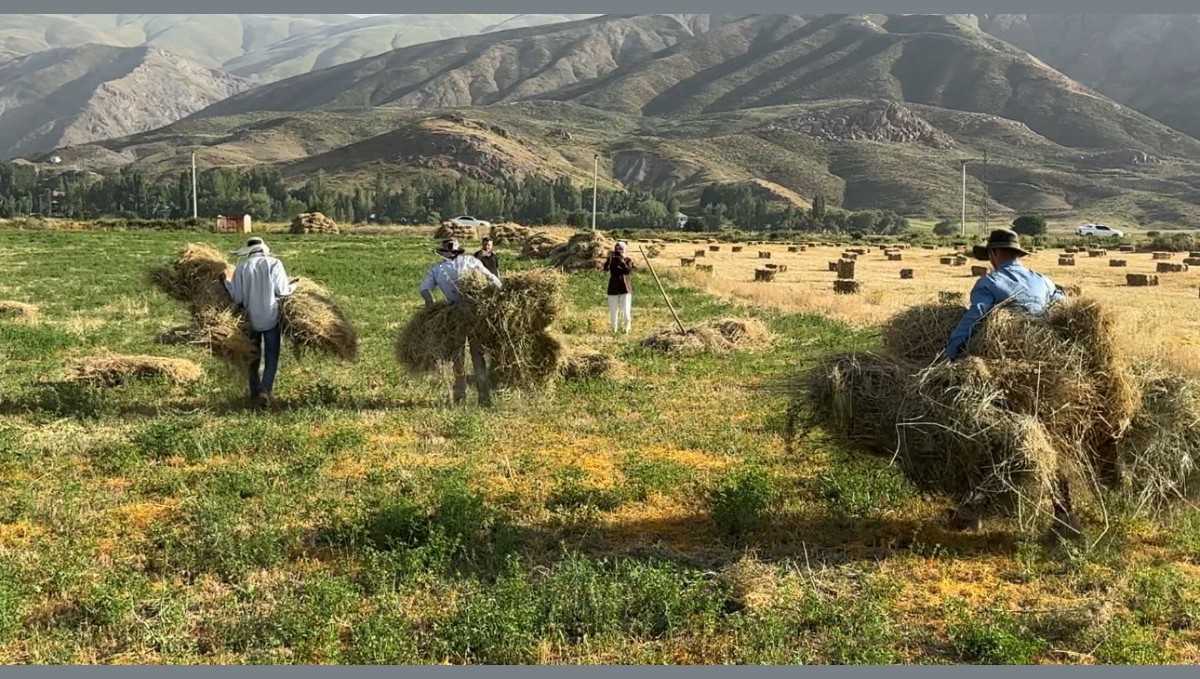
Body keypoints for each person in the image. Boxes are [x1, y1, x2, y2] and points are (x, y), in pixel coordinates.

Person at [941, 228, 1078, 539]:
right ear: (1018, 254)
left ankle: (972, 512)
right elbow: (1065, 308)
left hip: (1004, 373)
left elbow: (973, 318)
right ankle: (1063, 517)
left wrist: (950, 355)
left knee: (984, 437)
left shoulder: (990, 282)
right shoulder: (1043, 281)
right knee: (1050, 439)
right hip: (1048, 373)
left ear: (993, 255)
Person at [420, 238, 502, 407]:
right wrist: (498, 296)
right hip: (475, 312)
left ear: (443, 252)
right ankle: (484, 397)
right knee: (477, 355)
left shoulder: (437, 270)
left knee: (458, 355)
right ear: (458, 251)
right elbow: (493, 279)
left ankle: (460, 395)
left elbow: (424, 290)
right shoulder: (471, 261)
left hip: (454, 314)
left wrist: (432, 306)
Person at [221, 237, 295, 409]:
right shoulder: (275, 264)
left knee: (252, 356)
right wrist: (294, 286)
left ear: (248, 252)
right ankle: (265, 390)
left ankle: (254, 391)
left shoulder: (242, 267)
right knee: (271, 356)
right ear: (264, 250)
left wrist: (225, 282)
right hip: (271, 316)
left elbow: (237, 297)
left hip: (250, 319)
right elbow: (283, 291)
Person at [603, 241, 635, 334]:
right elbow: (606, 269)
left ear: (624, 249)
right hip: (613, 286)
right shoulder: (612, 259)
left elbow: (628, 271)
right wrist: (609, 259)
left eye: (620, 249)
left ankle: (627, 329)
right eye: (616, 248)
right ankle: (613, 329)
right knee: (613, 310)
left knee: (626, 310)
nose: (618, 251)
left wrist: (622, 261)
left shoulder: (628, 259)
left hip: (624, 286)